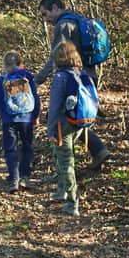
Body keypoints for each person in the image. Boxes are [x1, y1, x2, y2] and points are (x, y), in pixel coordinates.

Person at [35, 0, 110, 170]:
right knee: (80, 115)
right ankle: (97, 152)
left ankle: (68, 168)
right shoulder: (77, 19)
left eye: (45, 14)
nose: (46, 20)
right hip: (88, 75)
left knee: (68, 119)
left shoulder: (63, 25)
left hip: (72, 79)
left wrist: (37, 79)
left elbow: (56, 56)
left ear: (55, 8)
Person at [47, 41, 94, 216]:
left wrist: (50, 130)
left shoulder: (60, 77)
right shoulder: (82, 74)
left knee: (66, 162)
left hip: (63, 125)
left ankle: (72, 202)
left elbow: (54, 106)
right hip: (80, 123)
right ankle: (62, 191)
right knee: (64, 156)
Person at [0, 51, 40, 193]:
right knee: (27, 146)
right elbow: (35, 97)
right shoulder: (27, 77)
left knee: (10, 148)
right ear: (20, 62)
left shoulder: (3, 79)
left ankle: (14, 179)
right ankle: (24, 176)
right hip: (26, 119)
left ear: (5, 65)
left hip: (8, 119)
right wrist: (36, 115)